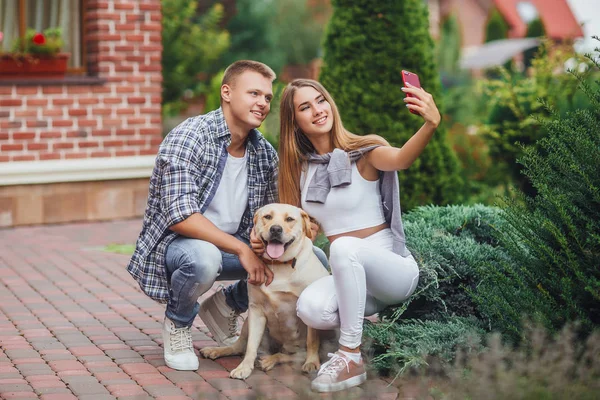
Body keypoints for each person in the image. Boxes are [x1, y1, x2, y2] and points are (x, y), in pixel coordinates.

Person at [127, 60, 302, 371]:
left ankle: (227, 304)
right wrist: (243, 249)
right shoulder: (190, 136)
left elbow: (268, 219)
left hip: (236, 242)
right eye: (253, 93)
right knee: (204, 259)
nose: (262, 103)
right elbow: (179, 216)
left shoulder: (263, 153)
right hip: (181, 245)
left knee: (302, 255)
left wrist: (263, 245)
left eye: (267, 98)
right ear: (226, 92)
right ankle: (178, 324)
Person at [273, 78, 441, 392]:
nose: (317, 110)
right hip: (348, 271)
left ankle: (350, 354)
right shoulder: (300, 170)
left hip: (392, 269)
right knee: (310, 309)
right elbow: (297, 229)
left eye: (320, 100)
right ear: (294, 122)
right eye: (305, 107)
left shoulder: (363, 152)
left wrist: (431, 124)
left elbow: (402, 158)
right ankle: (363, 318)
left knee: (344, 246)